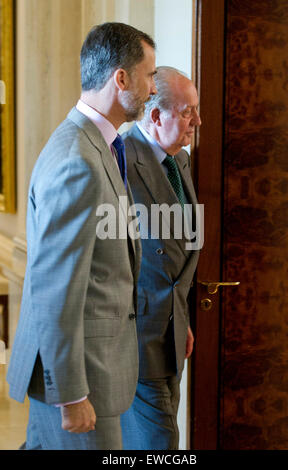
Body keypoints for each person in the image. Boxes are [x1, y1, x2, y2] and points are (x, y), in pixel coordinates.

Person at [6, 22, 157, 450]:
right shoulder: (79, 159)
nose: (152, 89)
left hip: (94, 368)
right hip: (80, 380)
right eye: (149, 75)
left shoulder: (99, 144)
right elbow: (55, 289)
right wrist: (71, 396)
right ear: (121, 78)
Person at [120, 66, 201, 450]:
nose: (196, 122)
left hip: (172, 334)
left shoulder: (179, 160)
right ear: (155, 116)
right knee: (161, 442)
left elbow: (177, 254)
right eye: (188, 112)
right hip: (134, 338)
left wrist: (179, 316)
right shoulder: (118, 159)